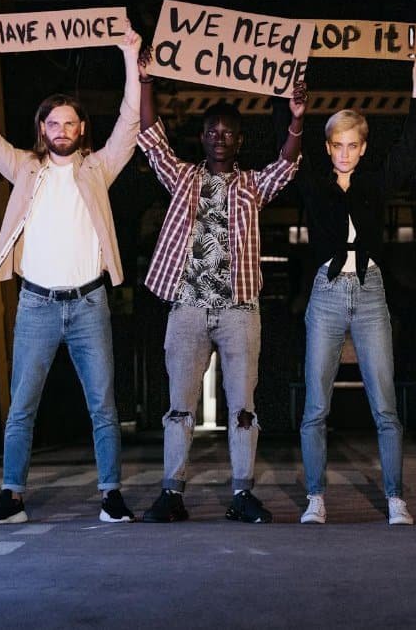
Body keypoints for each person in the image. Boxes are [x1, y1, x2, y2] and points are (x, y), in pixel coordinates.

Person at [0, 23, 142, 524]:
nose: (61, 130)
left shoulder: (97, 170)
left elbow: (130, 123)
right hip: (37, 304)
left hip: (88, 304)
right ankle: (11, 496)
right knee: (22, 406)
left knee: (103, 406)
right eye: (53, 124)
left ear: (82, 128)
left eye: (69, 123)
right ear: (42, 129)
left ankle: (111, 495)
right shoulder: (23, 168)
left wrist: (130, 55)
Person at [135, 52, 306, 524]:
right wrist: (146, 80)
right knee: (178, 407)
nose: (218, 138)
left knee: (243, 407)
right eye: (211, 131)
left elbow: (287, 166)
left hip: (238, 309)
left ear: (239, 140)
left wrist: (294, 121)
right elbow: (151, 140)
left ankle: (242, 493)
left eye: (228, 132)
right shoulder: (185, 177)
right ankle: (172, 493)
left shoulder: (251, 185)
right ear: (202, 137)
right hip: (187, 306)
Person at [289, 53, 416, 526]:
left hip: (370, 291)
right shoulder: (314, 183)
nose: (345, 152)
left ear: (363, 148)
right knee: (315, 404)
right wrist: (291, 91)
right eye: (337, 145)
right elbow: (284, 140)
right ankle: (316, 498)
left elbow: (411, 148)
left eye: (353, 145)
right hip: (326, 294)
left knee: (385, 404)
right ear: (328, 148)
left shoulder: (376, 183)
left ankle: (395, 499)